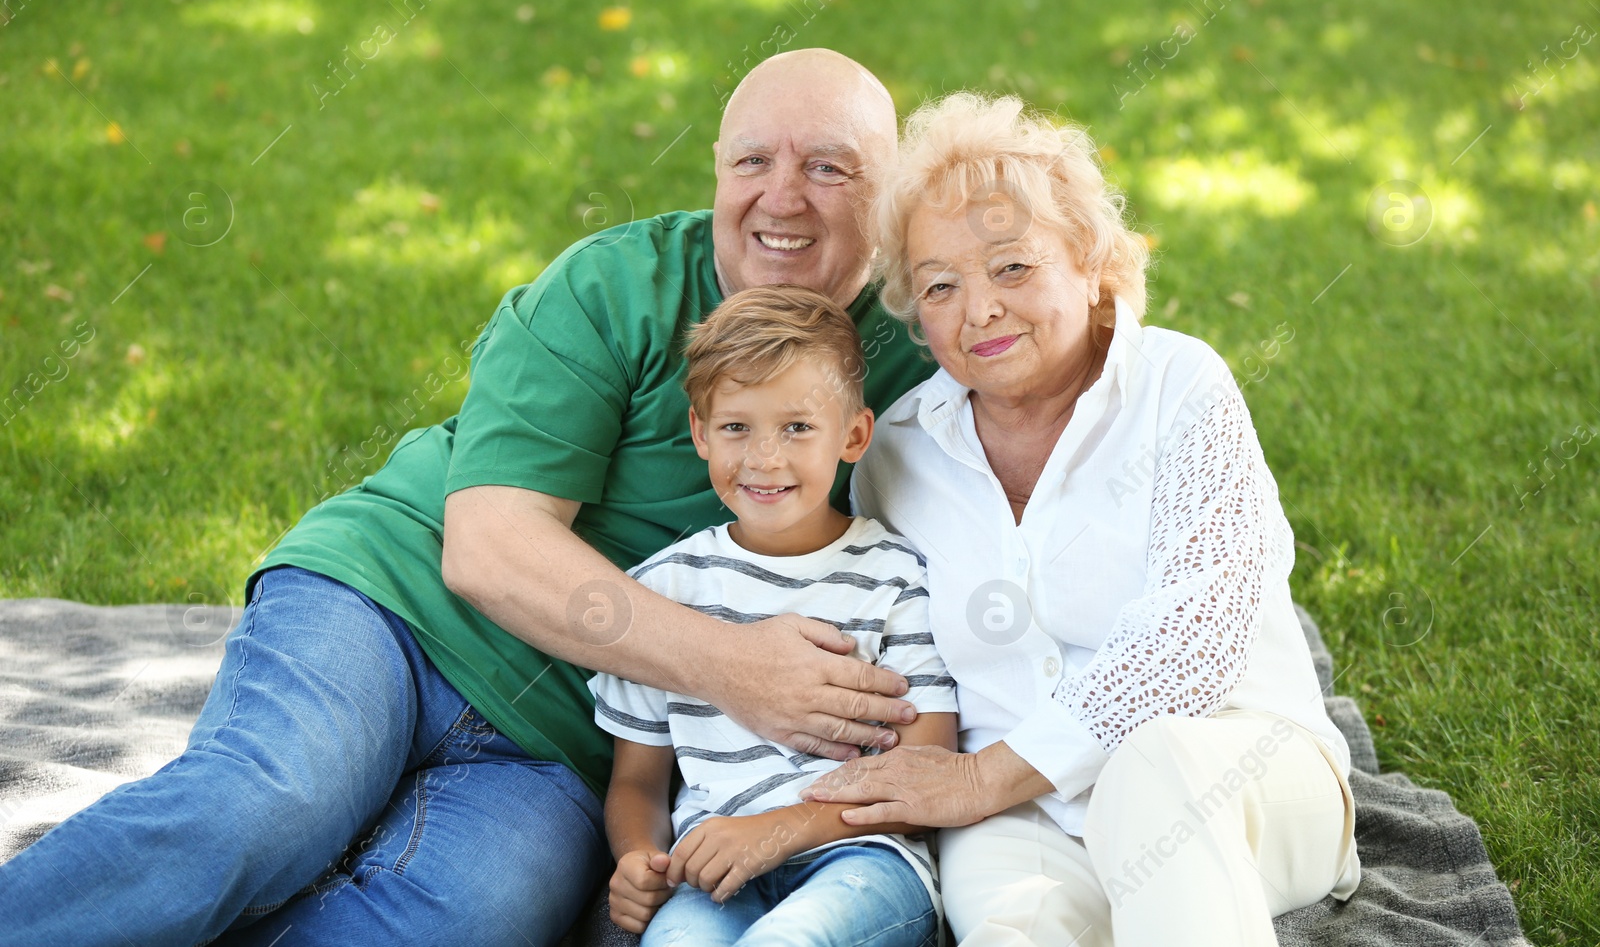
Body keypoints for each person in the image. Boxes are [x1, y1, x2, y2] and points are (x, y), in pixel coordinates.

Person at [0, 50, 940, 946]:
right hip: (395, 611)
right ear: (718, 172)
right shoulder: (617, 287)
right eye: (753, 161)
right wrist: (736, 668)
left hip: (560, 741)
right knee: (261, 808)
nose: (783, 197)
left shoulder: (912, 359)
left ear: (889, 195)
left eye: (829, 168)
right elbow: (488, 547)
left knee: (465, 923)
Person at [800, 92, 1361, 947]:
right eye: (940, 285)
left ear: (1091, 262)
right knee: (1012, 931)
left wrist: (985, 775)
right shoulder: (897, 454)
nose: (978, 308)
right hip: (1022, 816)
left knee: (1153, 769)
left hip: (1235, 766)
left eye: (1012, 266)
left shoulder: (1181, 386)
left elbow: (1192, 641)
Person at [593, 285, 956, 946]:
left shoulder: (899, 576)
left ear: (853, 435)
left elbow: (927, 761)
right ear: (700, 432)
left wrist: (776, 830)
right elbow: (637, 780)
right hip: (713, 867)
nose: (764, 457)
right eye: (737, 426)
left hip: (863, 858)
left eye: (797, 426)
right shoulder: (664, 590)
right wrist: (637, 857)